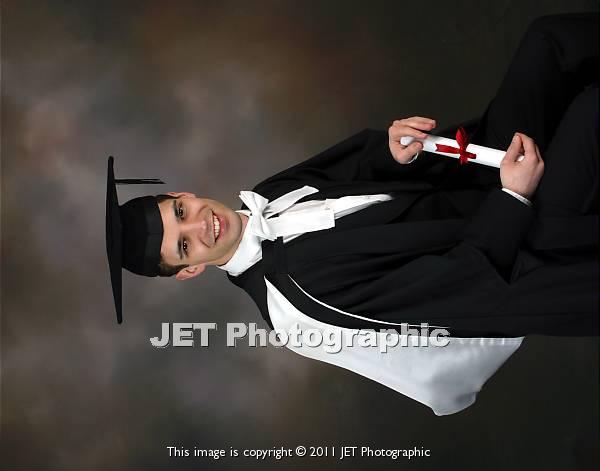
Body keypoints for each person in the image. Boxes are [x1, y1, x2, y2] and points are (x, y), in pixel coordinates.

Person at [106, 13, 599, 415]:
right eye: (184, 244)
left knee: (550, 43)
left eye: (181, 210)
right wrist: (512, 199)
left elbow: (359, 169)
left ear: (184, 193)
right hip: (526, 242)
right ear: (189, 271)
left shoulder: (269, 195)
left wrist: (395, 154)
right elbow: (451, 287)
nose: (201, 224)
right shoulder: (298, 299)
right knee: (590, 113)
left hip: (475, 186)